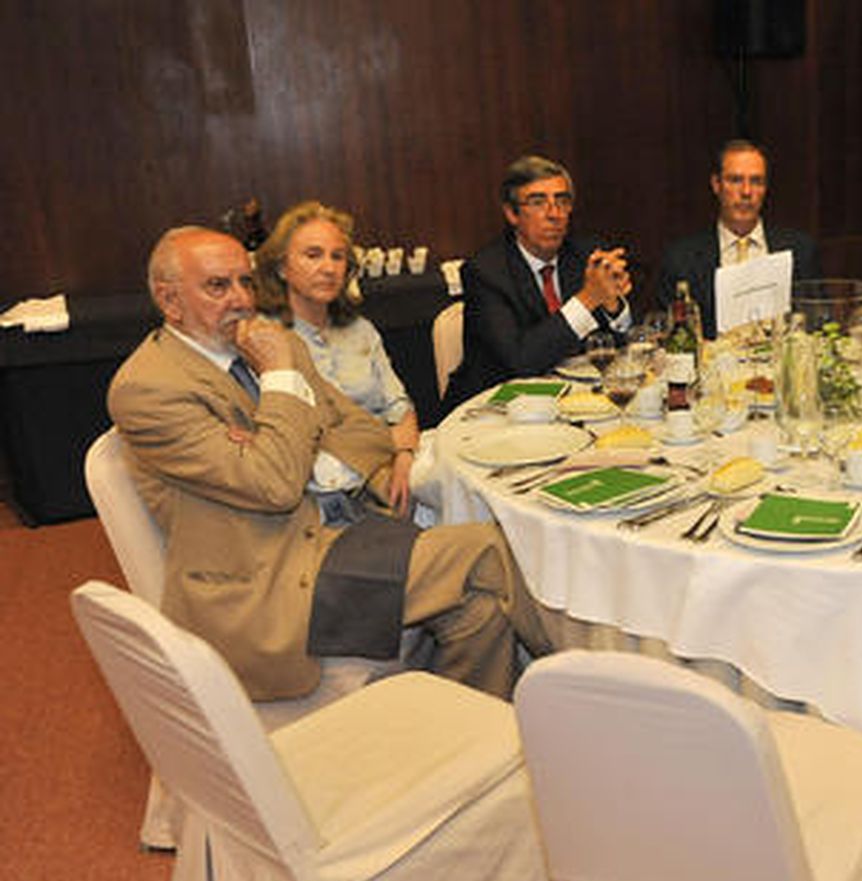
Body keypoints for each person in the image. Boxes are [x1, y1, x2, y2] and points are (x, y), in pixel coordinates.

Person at [109, 226, 545, 701]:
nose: (241, 300)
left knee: (479, 608)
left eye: (245, 282)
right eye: (218, 286)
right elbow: (276, 485)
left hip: (342, 531)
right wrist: (281, 384)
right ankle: (572, 674)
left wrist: (295, 449)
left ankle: (469, 724)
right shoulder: (149, 388)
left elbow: (365, 429)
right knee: (485, 545)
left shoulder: (276, 345)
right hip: (269, 576)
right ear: (169, 301)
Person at [254, 201, 423, 514]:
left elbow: (399, 406)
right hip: (321, 492)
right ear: (281, 268)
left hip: (390, 465)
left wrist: (404, 457)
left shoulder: (360, 329)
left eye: (338, 256)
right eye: (313, 255)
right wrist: (385, 451)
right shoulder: (265, 340)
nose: (329, 268)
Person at [441, 155, 632, 412]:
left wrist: (612, 305)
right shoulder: (485, 272)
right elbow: (521, 361)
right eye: (538, 202)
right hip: (496, 408)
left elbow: (621, 348)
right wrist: (587, 299)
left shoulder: (586, 255)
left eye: (562, 201)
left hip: (570, 401)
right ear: (512, 213)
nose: (554, 214)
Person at [655, 139, 820, 338]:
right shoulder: (681, 259)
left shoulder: (800, 250)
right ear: (716, 185)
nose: (746, 192)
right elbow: (668, 337)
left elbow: (817, 325)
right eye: (735, 180)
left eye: (756, 181)